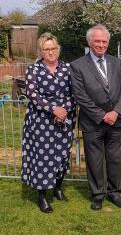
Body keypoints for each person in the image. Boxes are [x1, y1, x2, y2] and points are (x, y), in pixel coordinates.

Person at [70, 25, 121, 210]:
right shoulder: (78, 65)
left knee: (114, 159)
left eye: (104, 41)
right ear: (89, 42)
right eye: (97, 41)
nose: (101, 45)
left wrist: (116, 112)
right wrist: (102, 115)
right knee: (94, 160)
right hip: (92, 122)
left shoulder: (116, 62)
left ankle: (114, 192)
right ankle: (97, 194)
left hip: (116, 120)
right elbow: (80, 95)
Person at [21, 33, 76, 213]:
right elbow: (32, 94)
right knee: (43, 158)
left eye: (53, 48)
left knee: (62, 156)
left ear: (58, 49)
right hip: (40, 121)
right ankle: (42, 196)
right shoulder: (33, 70)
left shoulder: (68, 68)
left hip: (64, 120)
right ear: (41, 51)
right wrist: (53, 109)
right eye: (47, 49)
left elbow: (74, 93)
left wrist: (63, 111)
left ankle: (58, 189)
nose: (51, 52)